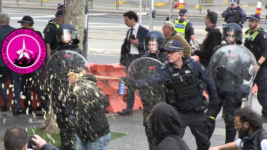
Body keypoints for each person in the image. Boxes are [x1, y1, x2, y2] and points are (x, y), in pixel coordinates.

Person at [121, 40, 218, 150]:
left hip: (198, 112)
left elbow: (211, 85)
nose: (169, 54)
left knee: (204, 143)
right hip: (179, 113)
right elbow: (147, 82)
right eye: (168, 52)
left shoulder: (194, 66)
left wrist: (212, 112)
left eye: (172, 52)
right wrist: (132, 82)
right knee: (172, 143)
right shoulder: (165, 71)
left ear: (181, 53)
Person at [207, 23, 254, 144]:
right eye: (227, 35)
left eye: (232, 35)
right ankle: (204, 143)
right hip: (218, 88)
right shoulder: (218, 50)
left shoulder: (242, 53)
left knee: (230, 120)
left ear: (237, 37)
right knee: (209, 117)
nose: (229, 37)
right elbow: (211, 68)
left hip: (232, 91)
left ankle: (229, 145)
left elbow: (248, 72)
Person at [47, 24, 82, 150]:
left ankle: (73, 144)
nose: (65, 37)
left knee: (71, 118)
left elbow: (80, 70)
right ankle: (65, 143)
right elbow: (50, 68)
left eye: (67, 34)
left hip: (70, 90)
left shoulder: (77, 53)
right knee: (61, 118)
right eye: (63, 34)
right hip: (57, 89)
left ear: (72, 35)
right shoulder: (57, 52)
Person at [134, 30, 167, 150]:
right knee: (148, 127)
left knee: (161, 128)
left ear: (159, 44)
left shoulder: (165, 60)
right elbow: (136, 75)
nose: (151, 47)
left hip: (161, 98)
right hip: (147, 97)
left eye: (154, 44)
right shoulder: (143, 60)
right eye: (150, 44)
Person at [67, 68, 111, 150]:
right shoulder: (90, 84)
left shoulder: (80, 89)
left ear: (74, 76)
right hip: (99, 132)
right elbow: (105, 102)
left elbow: (83, 115)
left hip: (94, 135)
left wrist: (78, 130)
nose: (68, 80)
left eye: (69, 77)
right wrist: (96, 112)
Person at [118, 10, 149, 115]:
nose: (125, 22)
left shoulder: (144, 31)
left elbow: (150, 46)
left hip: (140, 59)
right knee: (130, 83)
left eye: (126, 20)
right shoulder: (129, 32)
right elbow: (125, 46)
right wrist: (123, 60)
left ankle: (148, 106)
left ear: (132, 19)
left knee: (142, 83)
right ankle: (129, 108)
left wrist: (138, 43)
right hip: (129, 59)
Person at [17, 15, 48, 116]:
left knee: (39, 87)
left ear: (28, 24)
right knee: (25, 87)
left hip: (35, 65)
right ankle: (27, 108)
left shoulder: (37, 34)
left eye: (23, 24)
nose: (22, 26)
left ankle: (45, 108)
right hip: (25, 65)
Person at [244, 14, 267, 122]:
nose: (250, 23)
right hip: (251, 67)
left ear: (258, 23)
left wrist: (258, 64)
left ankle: (266, 114)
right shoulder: (249, 33)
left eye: (252, 21)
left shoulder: (261, 35)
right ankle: (245, 113)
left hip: (261, 68)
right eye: (250, 21)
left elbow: (266, 51)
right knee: (245, 91)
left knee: (262, 93)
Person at [0, 13, 21, 116]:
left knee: (1, 81)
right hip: (14, 62)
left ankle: (6, 100)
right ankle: (16, 108)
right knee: (16, 84)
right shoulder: (16, 32)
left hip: (1, 63)